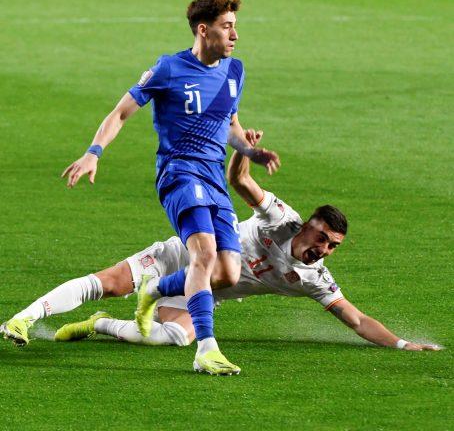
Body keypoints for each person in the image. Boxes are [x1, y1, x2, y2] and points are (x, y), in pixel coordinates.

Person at [1, 131, 439, 364]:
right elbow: (240, 181)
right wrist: (245, 149)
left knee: (172, 337)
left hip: (201, 292)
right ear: (307, 226)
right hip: (184, 255)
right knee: (109, 283)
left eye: (333, 245)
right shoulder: (280, 218)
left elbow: (356, 319)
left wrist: (402, 344)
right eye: (322, 238)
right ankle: (22, 319)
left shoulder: (313, 278)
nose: (324, 249)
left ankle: (100, 325)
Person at [59, 0, 280, 375]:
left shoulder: (235, 71)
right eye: (227, 27)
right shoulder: (169, 69)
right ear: (203, 30)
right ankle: (207, 349)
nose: (235, 35)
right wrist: (93, 152)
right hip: (180, 172)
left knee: (228, 273)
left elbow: (229, 123)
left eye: (235, 27)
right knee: (204, 254)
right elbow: (121, 113)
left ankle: (154, 288)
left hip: (214, 179)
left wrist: (250, 151)